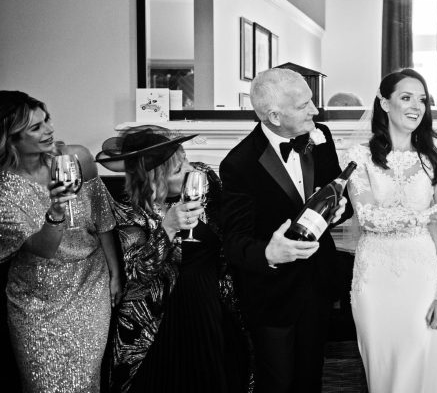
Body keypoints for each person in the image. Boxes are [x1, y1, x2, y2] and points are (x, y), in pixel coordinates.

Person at [220, 68, 351, 392]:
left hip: (318, 286)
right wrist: (270, 252)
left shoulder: (320, 136)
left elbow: (336, 192)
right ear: (275, 115)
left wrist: (339, 210)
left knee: (310, 380)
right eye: (304, 105)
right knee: (276, 384)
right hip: (272, 296)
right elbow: (234, 242)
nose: (315, 111)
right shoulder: (238, 164)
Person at [96, 125, 250, 393]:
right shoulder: (129, 212)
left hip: (212, 301)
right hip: (162, 315)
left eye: (187, 160)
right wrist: (166, 228)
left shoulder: (204, 181)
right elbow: (138, 275)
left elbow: (236, 224)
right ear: (154, 181)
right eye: (179, 170)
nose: (191, 169)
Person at [346, 69, 437, 392]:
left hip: (421, 279)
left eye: (422, 99)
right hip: (374, 280)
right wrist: (428, 214)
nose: (416, 106)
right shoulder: (360, 157)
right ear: (384, 103)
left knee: (418, 366)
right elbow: (368, 217)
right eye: (406, 97)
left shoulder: (434, 160)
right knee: (382, 373)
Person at [0, 90, 121, 392]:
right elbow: (42, 248)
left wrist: (115, 272)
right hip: (35, 300)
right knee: (44, 384)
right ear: (11, 138)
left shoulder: (76, 157)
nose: (49, 130)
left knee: (85, 381)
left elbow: (103, 218)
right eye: (35, 127)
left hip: (89, 286)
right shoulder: (3, 191)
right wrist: (55, 210)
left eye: (46, 121)